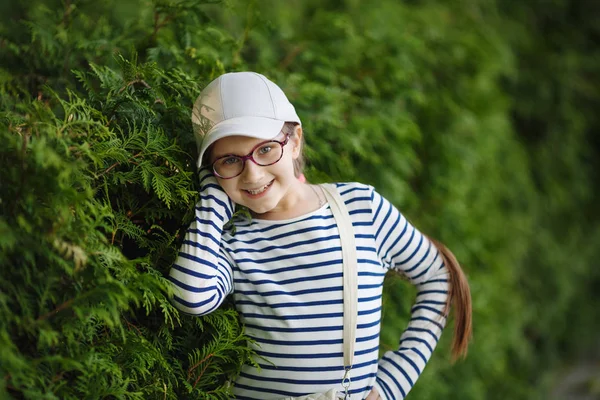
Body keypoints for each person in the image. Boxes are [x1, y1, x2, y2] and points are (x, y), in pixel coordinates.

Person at [168, 72, 472, 400]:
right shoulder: (233, 244)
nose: (252, 173)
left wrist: (390, 386)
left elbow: (441, 275)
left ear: (295, 139)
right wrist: (213, 197)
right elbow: (191, 297)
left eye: (266, 149)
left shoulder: (360, 209)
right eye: (230, 160)